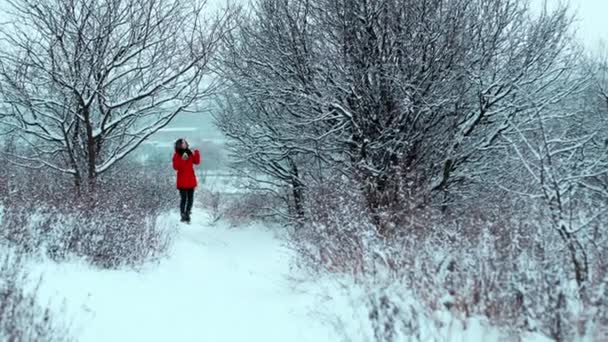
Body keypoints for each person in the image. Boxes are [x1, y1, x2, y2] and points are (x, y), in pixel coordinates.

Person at [172, 138, 201, 223]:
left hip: (190, 179)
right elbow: (176, 167)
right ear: (179, 145)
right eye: (182, 143)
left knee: (191, 199)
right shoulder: (177, 155)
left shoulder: (189, 153)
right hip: (182, 180)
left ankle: (188, 213)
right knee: (184, 198)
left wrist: (196, 152)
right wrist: (184, 157)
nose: (184, 144)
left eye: (185, 143)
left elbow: (197, 162)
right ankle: (183, 215)